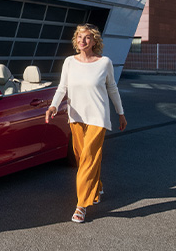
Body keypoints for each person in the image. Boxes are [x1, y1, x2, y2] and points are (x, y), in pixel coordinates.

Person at [45, 23, 127, 223]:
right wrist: (53, 106)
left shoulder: (104, 62)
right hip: (76, 116)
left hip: (98, 117)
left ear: (94, 41)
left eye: (87, 37)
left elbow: (112, 89)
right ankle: (96, 186)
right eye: (80, 37)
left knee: (90, 157)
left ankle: (81, 205)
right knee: (82, 158)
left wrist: (120, 113)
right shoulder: (69, 62)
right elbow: (62, 87)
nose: (83, 40)